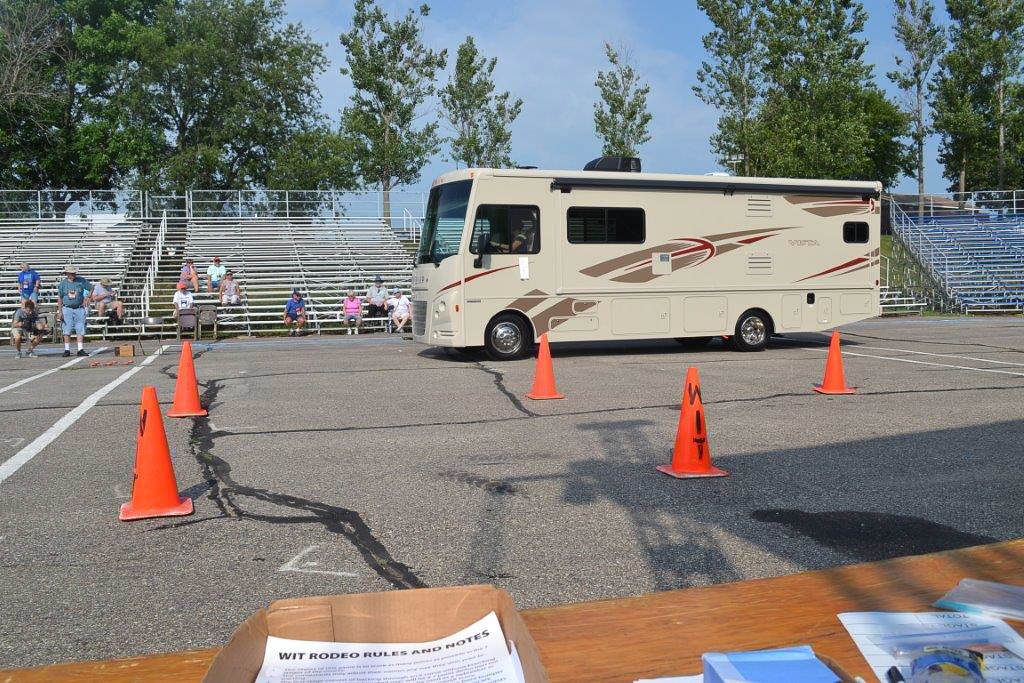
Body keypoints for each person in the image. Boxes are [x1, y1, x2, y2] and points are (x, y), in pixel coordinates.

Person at [56, 265, 91, 357]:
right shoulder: (63, 284)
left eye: (74, 273)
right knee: (67, 328)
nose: (73, 275)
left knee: (80, 328)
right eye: (71, 273)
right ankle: (67, 349)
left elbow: (91, 288)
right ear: (67, 274)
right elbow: (60, 298)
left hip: (79, 307)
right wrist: (60, 311)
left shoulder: (81, 280)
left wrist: (88, 298)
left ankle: (80, 349)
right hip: (67, 308)